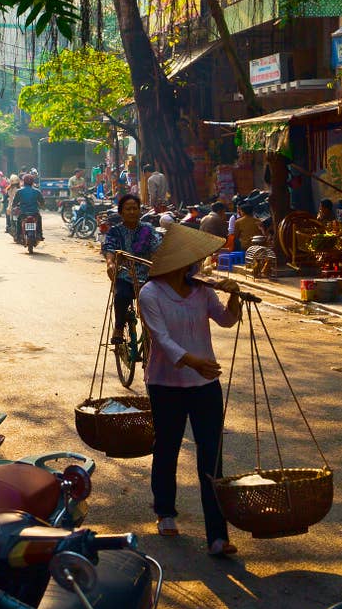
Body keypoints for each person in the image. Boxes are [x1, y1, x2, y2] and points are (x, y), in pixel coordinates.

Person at [138, 223, 241, 553]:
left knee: (212, 455)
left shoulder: (202, 290)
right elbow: (162, 340)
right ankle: (165, 510)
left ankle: (218, 535)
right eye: (194, 260)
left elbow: (226, 320)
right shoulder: (150, 294)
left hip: (205, 383)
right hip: (166, 384)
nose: (200, 265)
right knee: (166, 446)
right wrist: (194, 361)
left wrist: (235, 295)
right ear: (179, 262)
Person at [102, 193, 162, 344]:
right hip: (125, 274)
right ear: (121, 212)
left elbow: (157, 247)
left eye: (135, 208)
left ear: (140, 211)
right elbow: (109, 248)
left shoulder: (148, 229)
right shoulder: (115, 231)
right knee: (121, 295)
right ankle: (119, 328)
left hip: (147, 274)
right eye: (128, 209)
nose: (132, 212)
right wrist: (110, 263)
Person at [11, 173, 45, 241]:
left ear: (24, 182)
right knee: (39, 220)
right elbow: (42, 202)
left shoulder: (19, 191)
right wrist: (42, 205)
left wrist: (14, 206)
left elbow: (14, 202)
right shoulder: (37, 191)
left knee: (18, 221)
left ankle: (18, 236)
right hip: (34, 212)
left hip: (23, 213)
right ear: (32, 182)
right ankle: (40, 235)